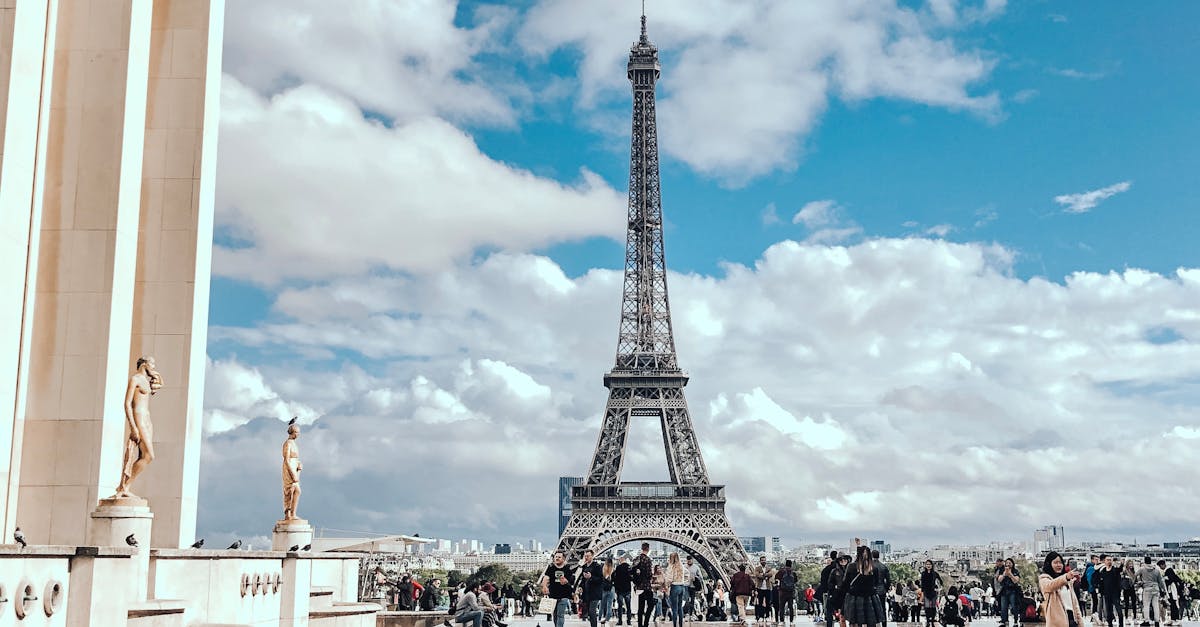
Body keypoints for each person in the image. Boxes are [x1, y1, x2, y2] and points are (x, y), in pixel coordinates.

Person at [836, 546, 883, 627]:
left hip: (855, 597)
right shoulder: (874, 568)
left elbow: (845, 583)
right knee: (871, 621)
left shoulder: (851, 566)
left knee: (854, 621)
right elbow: (876, 582)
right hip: (870, 597)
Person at [1038, 552, 1082, 627]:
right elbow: (1050, 586)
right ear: (1049, 564)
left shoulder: (1067, 582)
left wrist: (1080, 622)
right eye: (1055, 562)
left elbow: (1074, 604)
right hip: (1057, 622)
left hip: (1071, 620)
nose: (1059, 565)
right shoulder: (1044, 578)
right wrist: (1065, 577)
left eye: (1060, 562)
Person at [542, 551, 578, 627]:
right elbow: (546, 578)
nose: (557, 558)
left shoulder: (567, 569)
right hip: (553, 595)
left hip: (564, 595)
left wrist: (566, 581)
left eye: (559, 557)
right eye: (556, 557)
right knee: (555, 615)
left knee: (560, 615)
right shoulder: (551, 568)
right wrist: (544, 586)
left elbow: (571, 581)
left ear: (563, 559)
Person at [1135, 556, 1166, 627]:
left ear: (1145, 561)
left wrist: (1138, 582)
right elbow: (1160, 581)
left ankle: (1147, 621)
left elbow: (1135, 575)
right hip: (1156, 589)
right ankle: (1157, 621)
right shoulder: (1156, 570)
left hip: (1147, 589)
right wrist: (1163, 589)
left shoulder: (1142, 569)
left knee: (1146, 606)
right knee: (1155, 605)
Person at [1096, 555, 1125, 627]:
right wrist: (1100, 592)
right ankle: (1110, 624)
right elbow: (1101, 583)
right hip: (1106, 594)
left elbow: (1120, 570)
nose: (1109, 561)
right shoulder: (1103, 571)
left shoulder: (1115, 570)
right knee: (1109, 611)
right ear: (1104, 561)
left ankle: (1121, 624)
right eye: (1107, 560)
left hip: (1115, 593)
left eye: (1110, 560)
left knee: (1119, 610)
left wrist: (1122, 564)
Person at [632, 543, 655, 627]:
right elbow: (649, 574)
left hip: (638, 587)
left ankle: (639, 625)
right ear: (648, 549)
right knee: (651, 605)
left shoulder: (636, 559)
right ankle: (646, 623)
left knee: (640, 607)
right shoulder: (647, 560)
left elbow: (632, 571)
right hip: (646, 586)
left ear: (641, 548)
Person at [817, 552, 842, 627]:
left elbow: (823, 581)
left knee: (829, 610)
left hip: (829, 592)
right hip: (840, 592)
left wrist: (826, 590)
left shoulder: (826, 569)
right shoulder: (841, 569)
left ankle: (830, 624)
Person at [666, 553, 690, 627]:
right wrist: (684, 581)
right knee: (680, 608)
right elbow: (687, 574)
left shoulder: (671, 566)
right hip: (682, 587)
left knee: (674, 608)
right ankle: (680, 625)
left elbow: (669, 578)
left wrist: (667, 585)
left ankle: (674, 625)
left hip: (675, 587)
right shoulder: (682, 566)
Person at [995, 558, 1021, 627]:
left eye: (1010, 563)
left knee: (1014, 607)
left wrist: (1010, 574)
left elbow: (1016, 581)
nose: (1008, 564)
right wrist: (1004, 574)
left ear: (1012, 564)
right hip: (1004, 591)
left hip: (1013, 591)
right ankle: (1004, 621)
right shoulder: (1002, 571)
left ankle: (1015, 621)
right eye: (1007, 563)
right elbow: (999, 580)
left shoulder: (1015, 571)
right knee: (1004, 607)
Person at [754, 556, 776, 623]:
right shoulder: (757, 568)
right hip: (760, 588)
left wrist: (763, 575)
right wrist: (766, 575)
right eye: (762, 560)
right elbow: (757, 575)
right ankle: (761, 616)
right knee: (760, 603)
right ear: (760, 561)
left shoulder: (769, 568)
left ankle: (767, 616)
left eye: (764, 560)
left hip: (767, 588)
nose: (763, 561)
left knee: (768, 603)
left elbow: (771, 574)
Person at [921, 561, 943, 627]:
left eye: (929, 564)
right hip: (926, 592)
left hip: (933, 592)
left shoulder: (935, 573)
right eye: (927, 564)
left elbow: (941, 581)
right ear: (925, 565)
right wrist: (922, 591)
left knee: (933, 608)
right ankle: (928, 621)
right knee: (927, 608)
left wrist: (938, 588)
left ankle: (933, 621)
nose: (928, 566)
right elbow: (922, 583)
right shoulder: (923, 573)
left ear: (932, 565)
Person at [871, 551, 891, 627]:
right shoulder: (883, 566)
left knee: (872, 609)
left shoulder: (870, 566)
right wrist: (886, 588)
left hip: (872, 590)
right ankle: (884, 624)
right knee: (883, 609)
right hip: (882, 590)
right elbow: (888, 580)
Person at [777, 559, 798, 624]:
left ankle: (782, 620)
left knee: (782, 607)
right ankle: (791, 621)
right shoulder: (793, 573)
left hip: (783, 592)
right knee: (790, 607)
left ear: (785, 564)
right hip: (790, 592)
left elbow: (776, 578)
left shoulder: (781, 572)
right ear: (791, 565)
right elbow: (795, 581)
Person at [614, 554, 634, 625]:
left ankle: (620, 621)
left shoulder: (618, 568)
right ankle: (629, 621)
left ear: (620, 560)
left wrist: (616, 589)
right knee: (628, 606)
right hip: (627, 589)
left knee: (620, 606)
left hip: (620, 590)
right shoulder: (629, 567)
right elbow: (632, 578)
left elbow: (615, 579)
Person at [601, 557, 617, 627]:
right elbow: (615, 580)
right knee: (609, 606)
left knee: (602, 605)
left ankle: (600, 619)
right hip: (611, 588)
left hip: (604, 589)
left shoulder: (602, 571)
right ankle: (607, 619)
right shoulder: (613, 571)